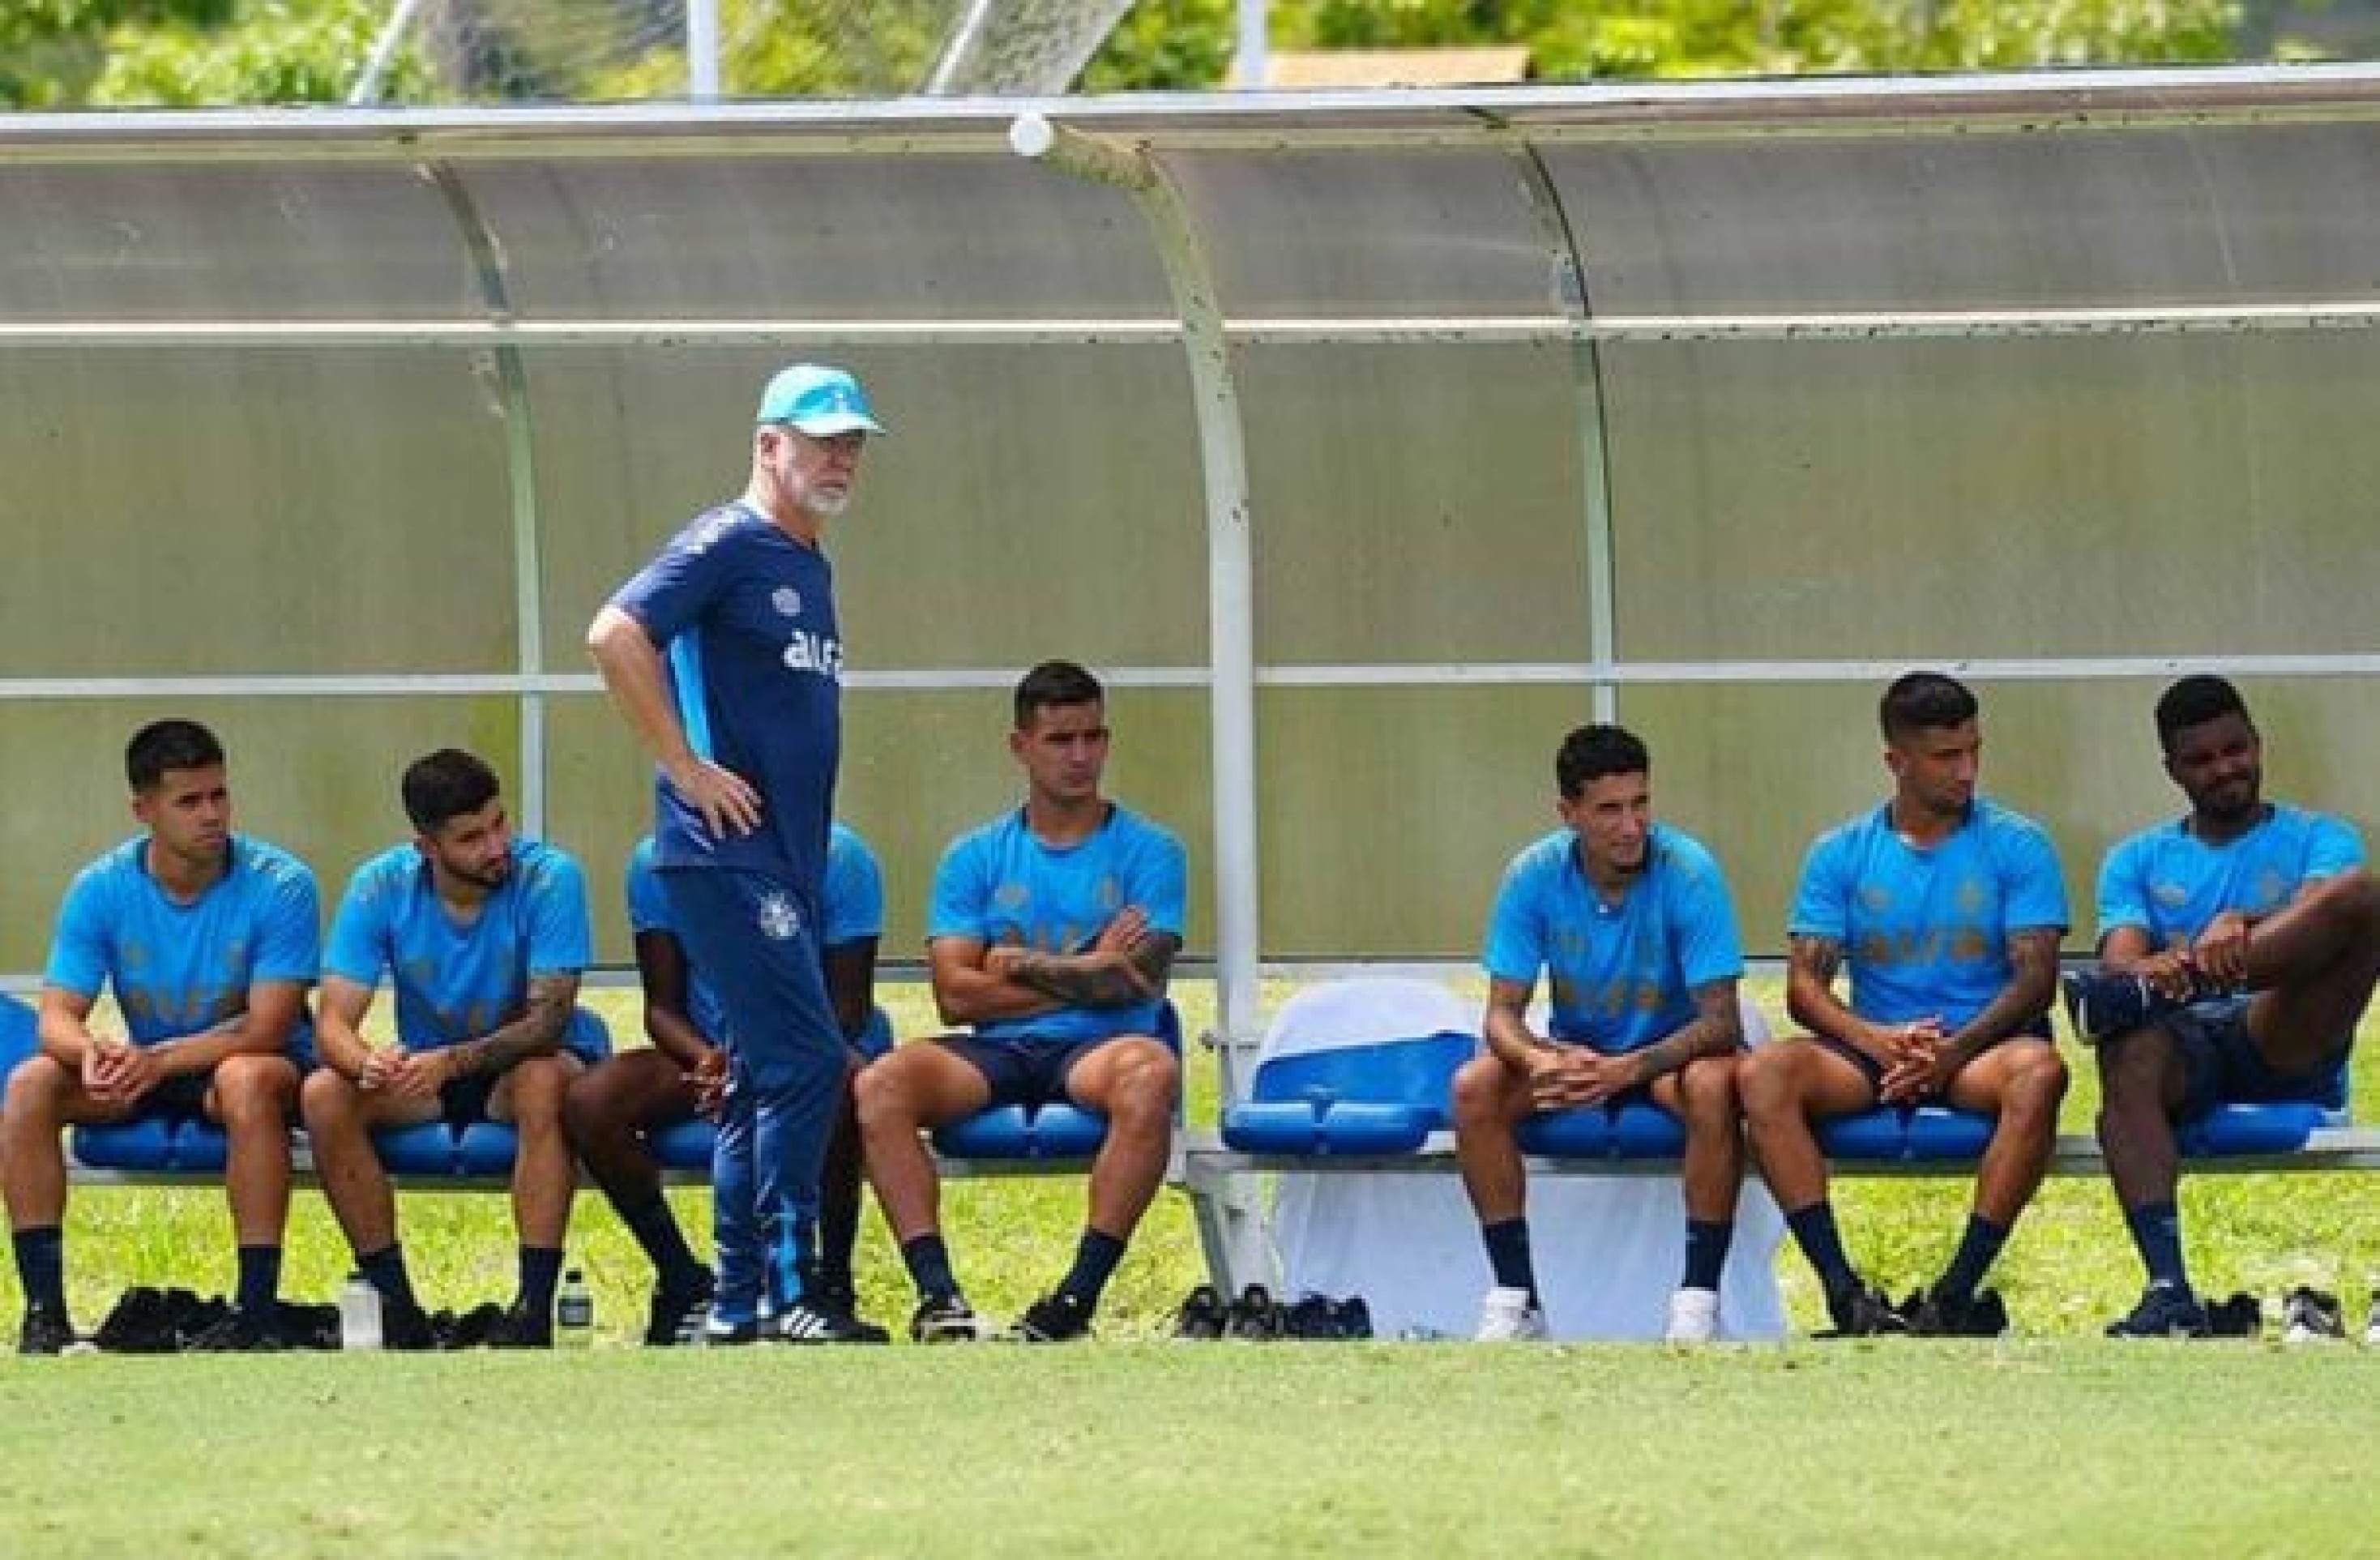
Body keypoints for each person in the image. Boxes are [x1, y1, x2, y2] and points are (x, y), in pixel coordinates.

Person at [587, 362, 882, 1344]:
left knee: (763, 1068)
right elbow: (616, 631)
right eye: (821, 437)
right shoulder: (727, 541)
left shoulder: (809, 562)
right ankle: (794, 1289)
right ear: (769, 444)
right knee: (805, 1058)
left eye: (852, 441)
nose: (840, 456)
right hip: (724, 853)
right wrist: (685, 766)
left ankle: (738, 1301)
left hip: (784, 857)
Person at [857, 660, 1185, 1343]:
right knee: (882, 1081)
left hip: (1102, 1047)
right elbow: (952, 994)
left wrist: (1024, 966)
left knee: (1150, 1073)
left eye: (1093, 738)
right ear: (1021, 747)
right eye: (1061, 740)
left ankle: (1074, 1300)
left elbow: (1137, 983)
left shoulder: (1151, 851)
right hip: (997, 1050)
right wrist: (1089, 963)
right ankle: (937, 1294)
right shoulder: (973, 856)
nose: (1081, 756)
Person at [1740, 672, 2070, 1337]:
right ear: (1896, 761)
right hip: (1876, 1057)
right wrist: (1877, 1040)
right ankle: (1843, 1293)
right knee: (1761, 1073)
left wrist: (1950, 1053)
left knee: (2039, 1072)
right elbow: (1805, 989)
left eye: (1973, 750)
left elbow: (2036, 981)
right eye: (1947, 757)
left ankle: (1952, 1297)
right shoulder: (1840, 852)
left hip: (1978, 1053)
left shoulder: (2018, 843)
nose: (1967, 771)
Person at [2064, 674, 2380, 1338]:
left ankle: (2180, 987)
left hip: (2281, 1029)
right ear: (2172, 769)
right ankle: (2168, 1290)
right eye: (2200, 759)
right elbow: (2120, 961)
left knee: (2360, 894)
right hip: (2186, 1045)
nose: (2223, 768)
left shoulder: (2318, 837)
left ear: (2257, 745)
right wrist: (2149, 971)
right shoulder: (2137, 857)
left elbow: (2328, 910)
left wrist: (2239, 926)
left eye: (2234, 749)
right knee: (2127, 1041)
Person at [3, 720, 318, 1354]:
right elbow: (55, 1016)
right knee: (32, 1080)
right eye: (190, 801)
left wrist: (159, 1059)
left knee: (247, 1079)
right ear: (143, 809)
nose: (212, 814)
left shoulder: (282, 884)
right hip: (148, 1067)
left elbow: (268, 1028)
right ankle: (45, 1313)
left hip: (244, 1063)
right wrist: (91, 1054)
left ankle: (253, 1310)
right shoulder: (100, 888)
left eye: (219, 796)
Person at [301, 749, 609, 1348]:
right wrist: (367, 1062)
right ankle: (397, 1308)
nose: (497, 846)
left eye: (499, 823)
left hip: (524, 1065)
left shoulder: (550, 877)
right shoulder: (380, 885)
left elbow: (547, 1023)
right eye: (472, 837)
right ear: (426, 848)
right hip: (429, 1070)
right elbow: (332, 1024)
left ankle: (532, 1309)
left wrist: (452, 1061)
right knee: (323, 1093)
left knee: (544, 1079)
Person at [1452, 724, 1748, 1345]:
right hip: (1576, 1056)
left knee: (1715, 1084)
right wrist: (1537, 1060)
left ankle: (1697, 1298)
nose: (1630, 825)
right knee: (1475, 1086)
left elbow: (1722, 1022)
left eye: (1640, 803)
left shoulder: (1689, 871)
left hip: (1667, 1057)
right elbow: (1500, 1014)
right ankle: (1515, 1296)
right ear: (1569, 813)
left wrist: (1627, 1069)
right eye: (1609, 809)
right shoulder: (1532, 873)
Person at [566, 823, 890, 1345]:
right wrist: (706, 1057)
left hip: (807, 1044)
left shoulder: (840, 856)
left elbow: (848, 1010)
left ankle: (825, 1283)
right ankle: (682, 1279)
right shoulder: (660, 861)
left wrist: (759, 1061)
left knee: (841, 1075)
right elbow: (662, 1009)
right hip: (710, 1053)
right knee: (590, 1099)